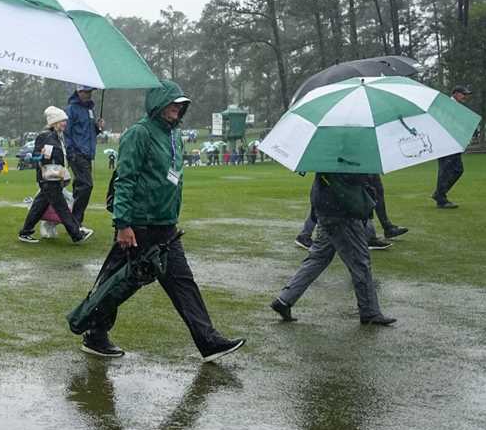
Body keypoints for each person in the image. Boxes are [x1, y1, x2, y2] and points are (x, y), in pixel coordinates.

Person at [79, 80, 245, 362]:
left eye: (180, 105)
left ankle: (208, 341)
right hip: (138, 225)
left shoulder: (174, 135)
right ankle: (94, 333)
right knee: (114, 283)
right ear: (158, 104)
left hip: (165, 226)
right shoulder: (139, 134)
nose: (176, 109)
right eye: (172, 103)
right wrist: (123, 223)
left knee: (182, 283)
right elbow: (125, 180)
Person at [270, 172, 396, 326]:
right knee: (360, 262)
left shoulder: (326, 155)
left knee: (318, 259)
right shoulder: (347, 156)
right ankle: (370, 311)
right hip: (343, 212)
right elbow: (353, 179)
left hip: (326, 209)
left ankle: (284, 300)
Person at [18, 106, 92, 244]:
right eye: (62, 120)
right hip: (48, 179)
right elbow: (36, 156)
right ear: (54, 121)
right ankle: (77, 234)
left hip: (54, 177)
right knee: (62, 208)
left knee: (39, 207)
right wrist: (45, 156)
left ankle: (25, 232)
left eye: (65, 121)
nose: (65, 123)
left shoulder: (58, 136)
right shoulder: (45, 135)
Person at [65, 85, 104, 226]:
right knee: (87, 185)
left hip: (88, 154)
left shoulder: (89, 110)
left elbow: (89, 133)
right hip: (77, 153)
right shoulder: (71, 109)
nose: (89, 95)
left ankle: (73, 221)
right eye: (87, 92)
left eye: (91, 92)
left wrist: (97, 128)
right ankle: (75, 221)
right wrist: (70, 153)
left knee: (79, 187)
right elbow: (67, 133)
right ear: (79, 91)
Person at [431, 85, 473, 209]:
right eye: (463, 94)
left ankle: (439, 194)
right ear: (455, 93)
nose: (465, 96)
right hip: (445, 143)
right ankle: (441, 199)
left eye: (466, 94)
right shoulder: (448, 106)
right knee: (445, 171)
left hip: (453, 143)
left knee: (457, 170)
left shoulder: (457, 107)